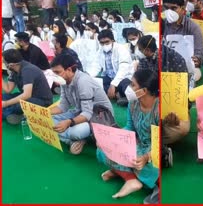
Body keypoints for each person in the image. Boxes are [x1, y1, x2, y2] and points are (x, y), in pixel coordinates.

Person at [96, 69, 159, 199]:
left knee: (152, 168)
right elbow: (130, 127)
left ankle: (119, 170)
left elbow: (161, 142)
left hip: (155, 149)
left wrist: (147, 157)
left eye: (133, 85)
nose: (129, 87)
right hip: (138, 143)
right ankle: (131, 178)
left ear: (144, 90)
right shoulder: (133, 103)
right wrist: (110, 138)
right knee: (103, 149)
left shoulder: (159, 108)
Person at [50, 54, 113, 154]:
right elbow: (63, 106)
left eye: (57, 72)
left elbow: (87, 114)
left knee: (76, 132)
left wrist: (69, 122)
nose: (55, 76)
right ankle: (72, 141)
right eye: (54, 73)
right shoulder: (63, 81)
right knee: (48, 121)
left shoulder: (83, 81)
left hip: (100, 117)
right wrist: (44, 112)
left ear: (69, 70)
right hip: (80, 112)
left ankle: (79, 138)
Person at [2, 49, 53, 125]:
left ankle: (11, 113)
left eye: (4, 62)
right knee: (4, 97)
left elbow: (26, 95)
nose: (3, 63)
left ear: (11, 64)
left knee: (19, 105)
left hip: (42, 101)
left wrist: (6, 103)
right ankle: (14, 114)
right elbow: (8, 89)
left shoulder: (27, 70)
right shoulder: (14, 70)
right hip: (28, 97)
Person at [88, 30, 133, 106]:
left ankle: (123, 96)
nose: (104, 44)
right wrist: (88, 76)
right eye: (102, 43)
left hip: (122, 78)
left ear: (112, 40)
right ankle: (117, 95)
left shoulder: (121, 49)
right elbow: (96, 66)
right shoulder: (100, 51)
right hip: (109, 78)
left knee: (126, 85)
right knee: (93, 81)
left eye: (107, 42)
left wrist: (113, 84)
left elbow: (123, 69)